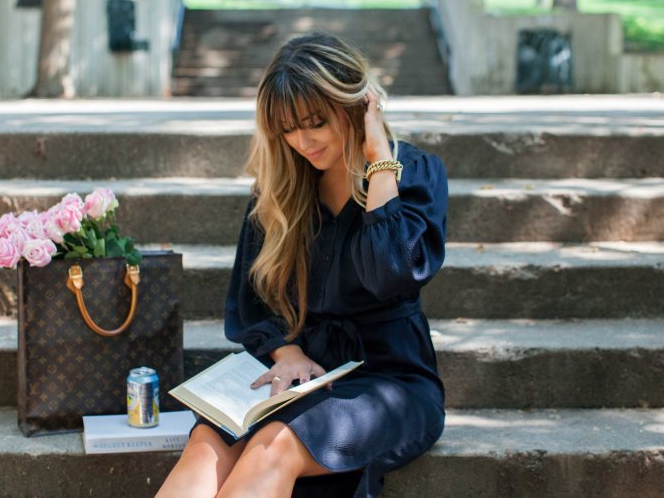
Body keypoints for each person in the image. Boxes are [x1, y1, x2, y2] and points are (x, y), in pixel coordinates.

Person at [157, 32, 448, 498]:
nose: (302, 141)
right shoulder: (280, 191)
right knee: (208, 442)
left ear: (355, 104)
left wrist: (377, 161)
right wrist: (285, 352)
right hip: (301, 372)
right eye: (288, 129)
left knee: (272, 446)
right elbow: (253, 299)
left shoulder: (414, 173)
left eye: (315, 122)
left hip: (389, 378)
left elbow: (391, 273)